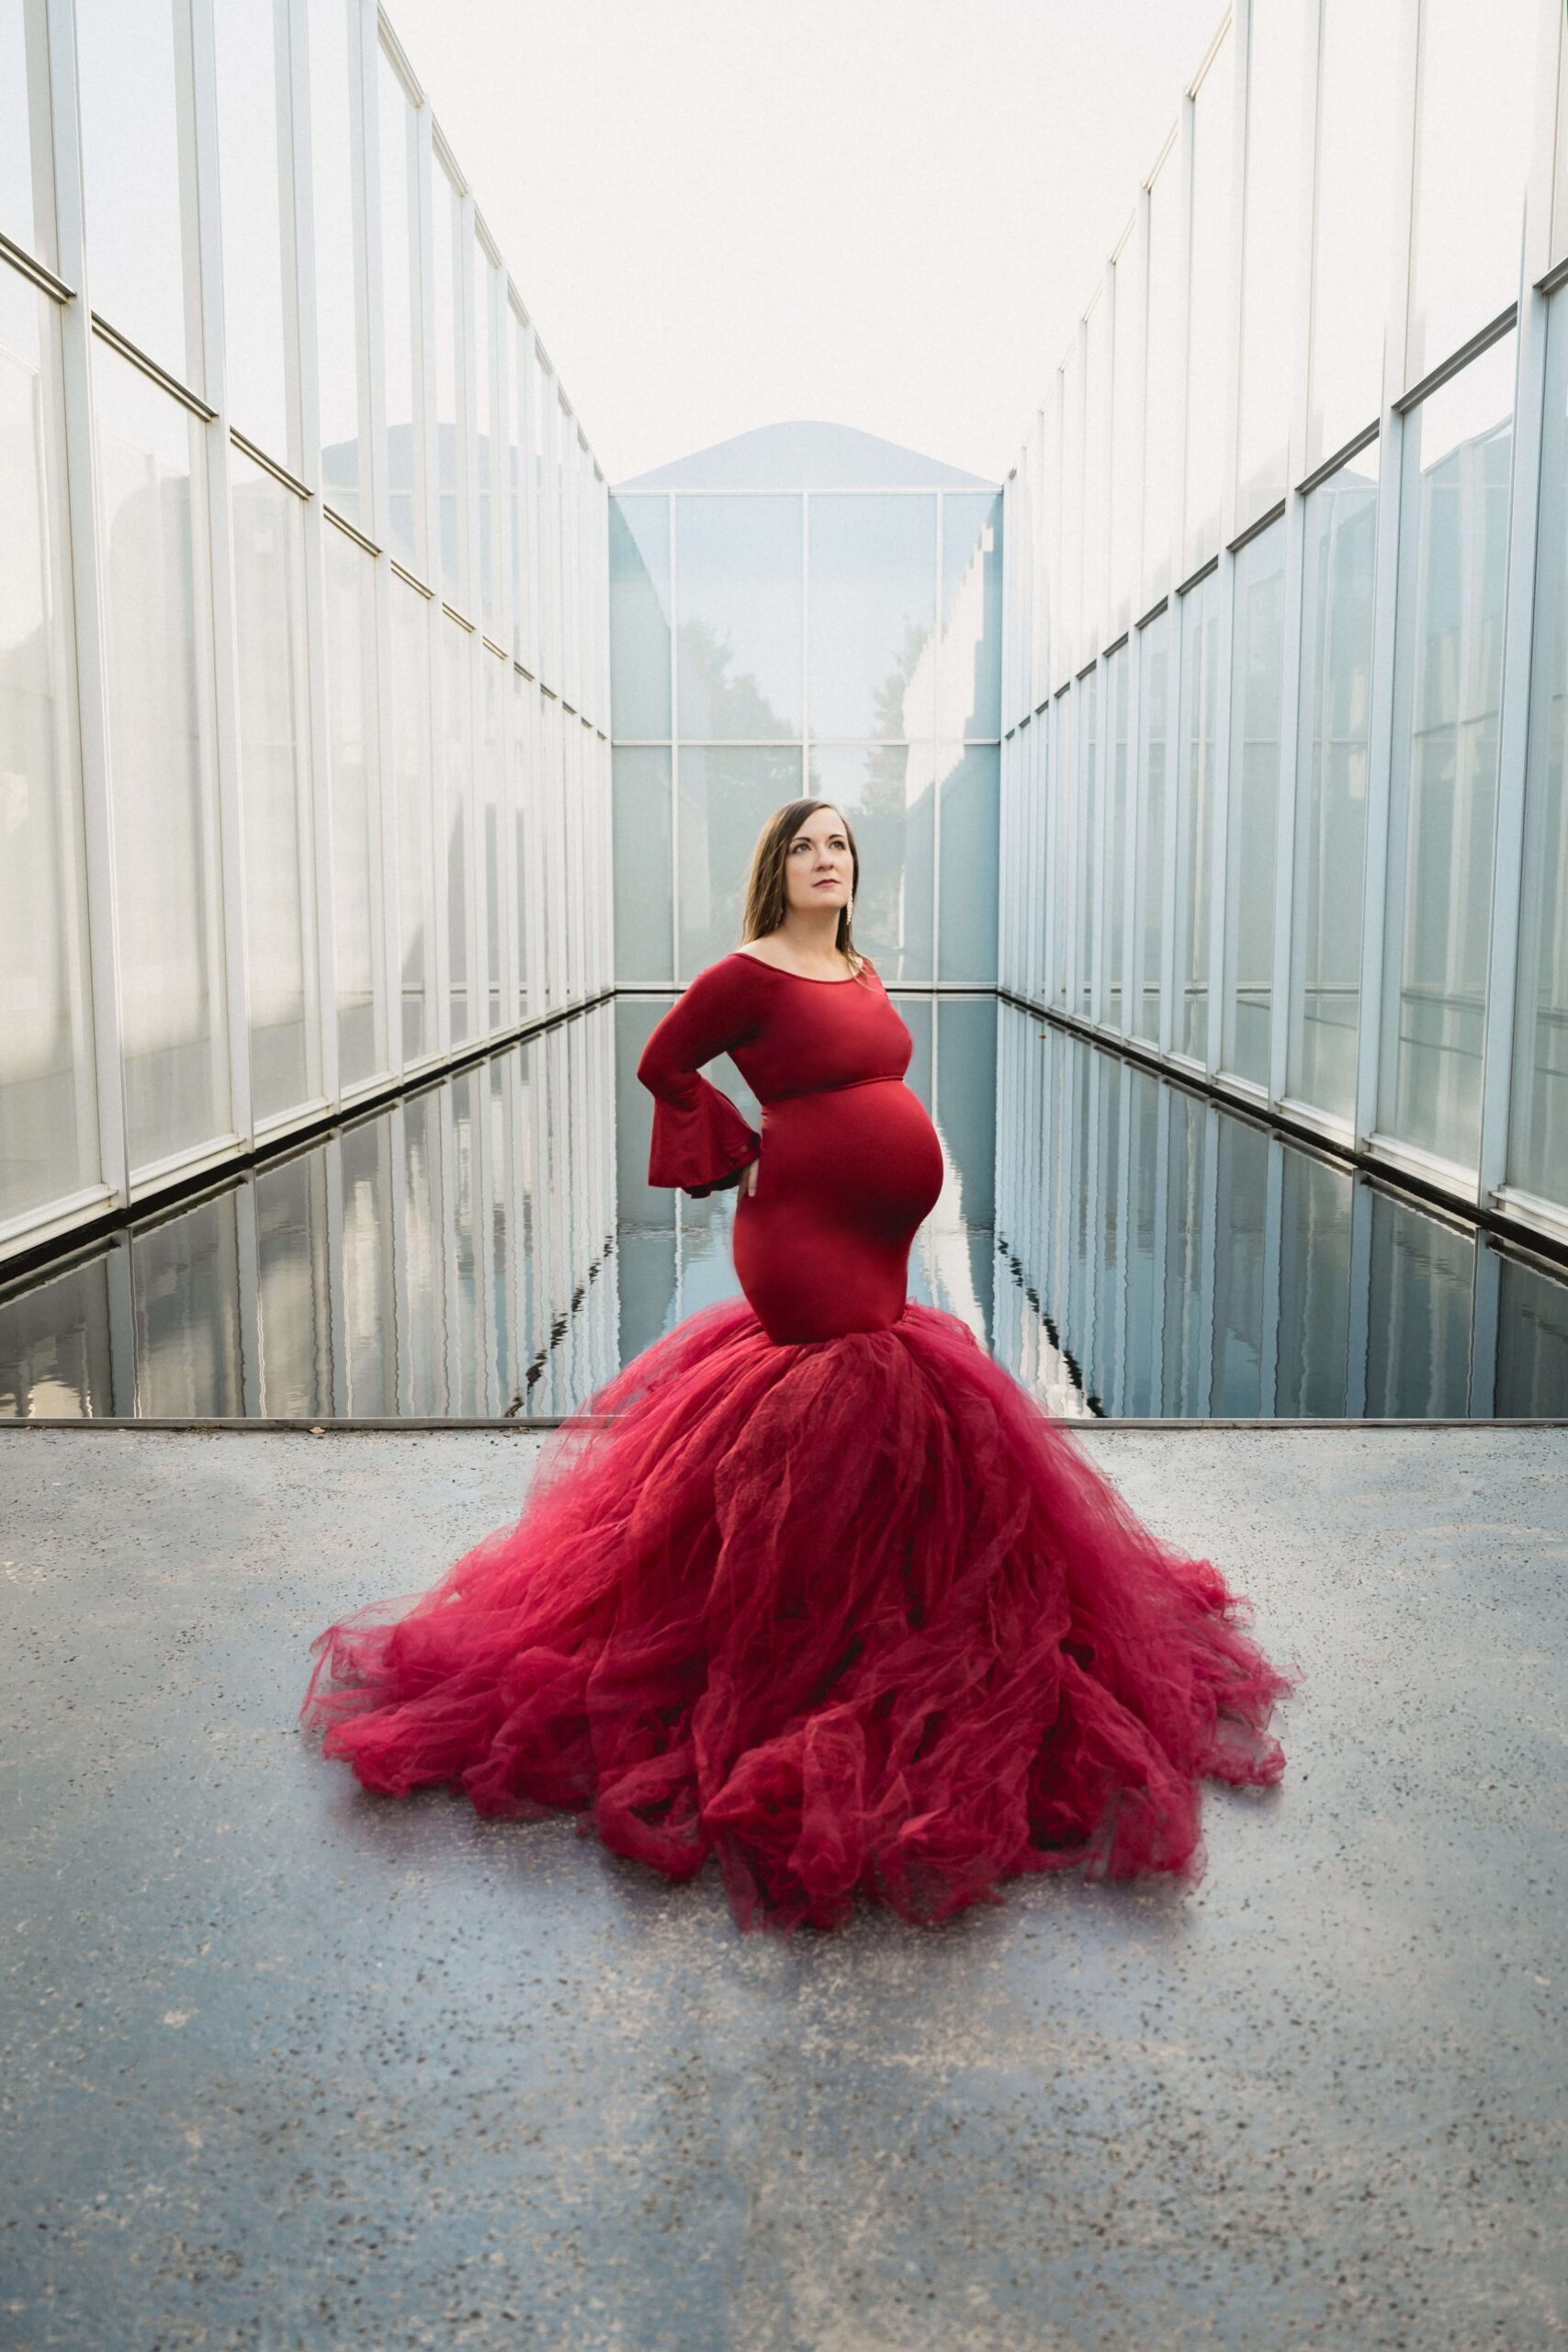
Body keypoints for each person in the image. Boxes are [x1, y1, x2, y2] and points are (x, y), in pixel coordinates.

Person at [300, 799, 1298, 1934]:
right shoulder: (750, 972)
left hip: (880, 1238)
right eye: (806, 846)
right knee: (834, 1398)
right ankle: (800, 1658)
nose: (828, 859)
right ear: (776, 869)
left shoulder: (860, 966)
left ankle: (870, 1620)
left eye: (840, 846)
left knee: (894, 1414)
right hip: (800, 1235)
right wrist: (732, 1148)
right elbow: (661, 1060)